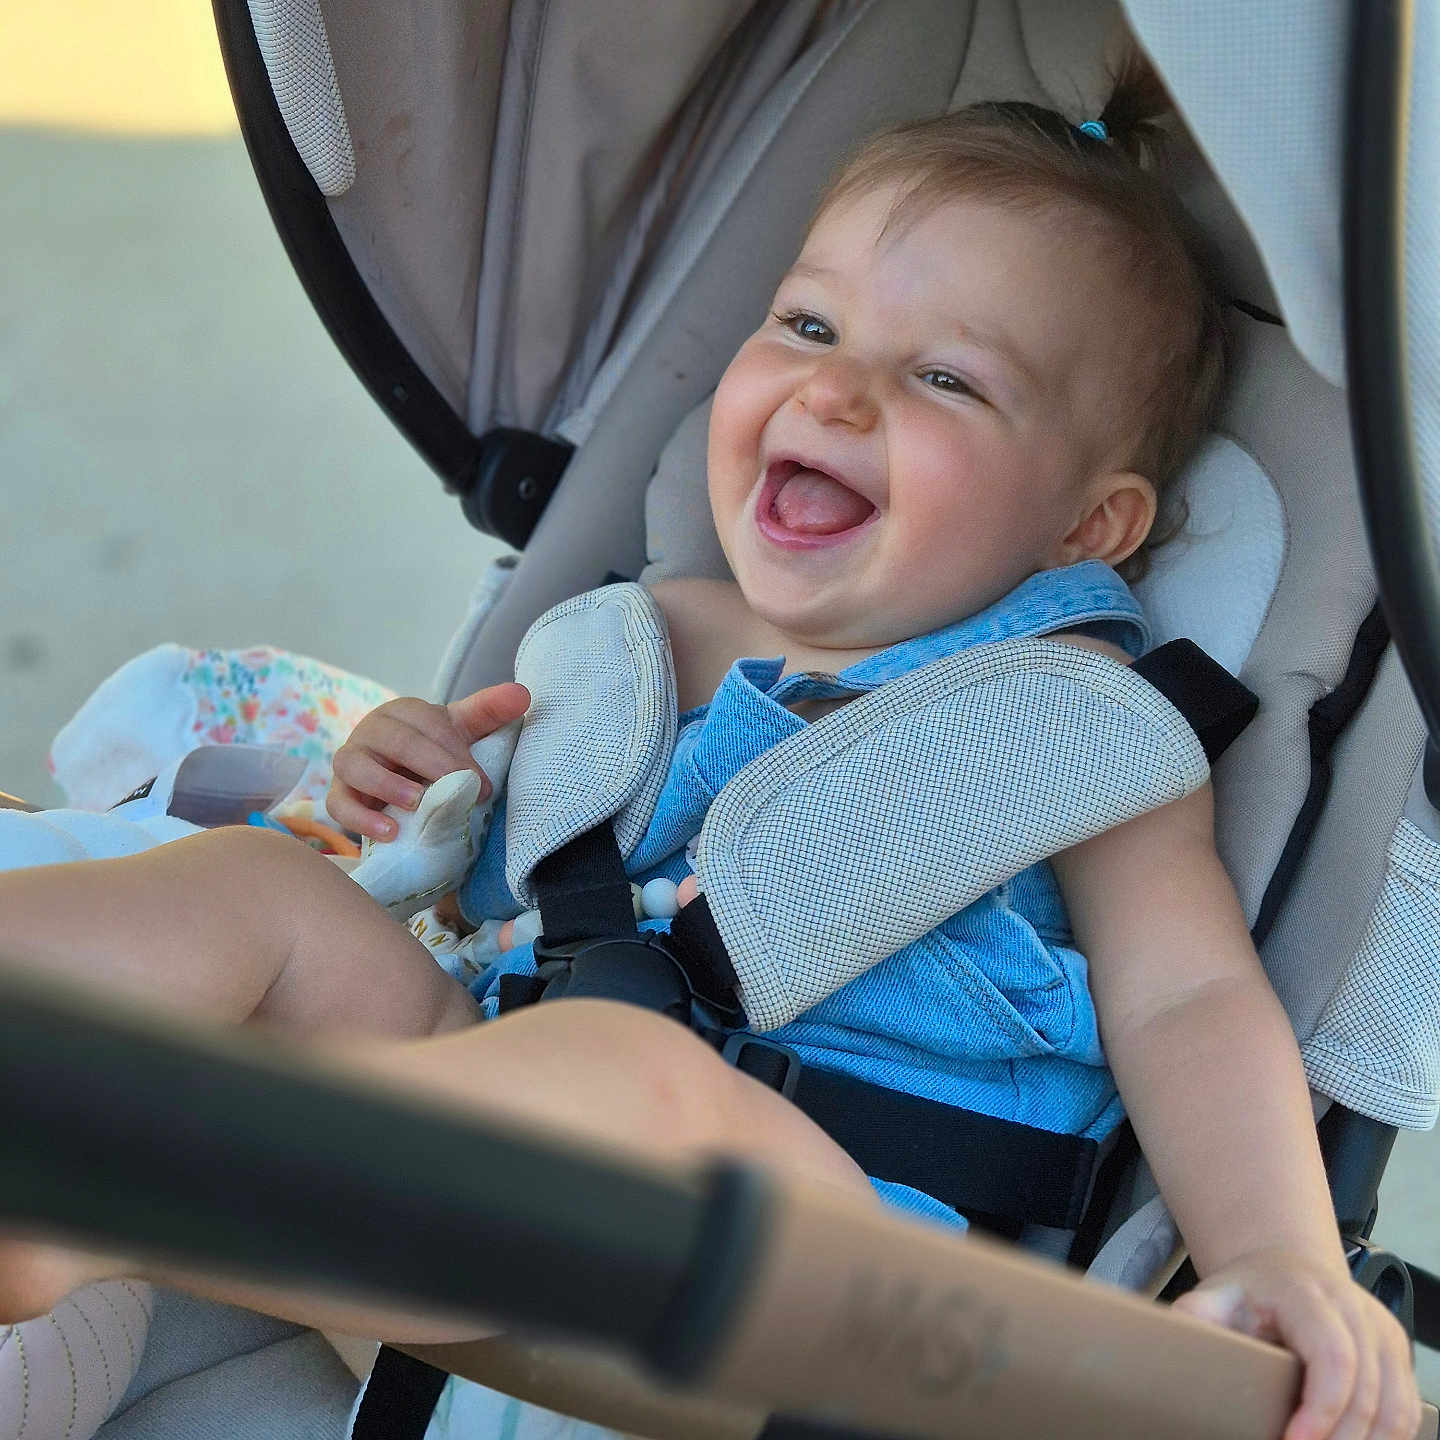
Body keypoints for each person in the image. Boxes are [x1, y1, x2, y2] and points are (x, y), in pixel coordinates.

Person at [0, 74, 1421, 1440]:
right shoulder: (631, 638)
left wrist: (1282, 1253)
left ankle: (114, 1180)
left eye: (945, 379)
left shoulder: (1076, 733)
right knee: (266, 897)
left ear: (1089, 528)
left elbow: (1189, 1002)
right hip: (473, 1146)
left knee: (636, 1073)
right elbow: (470, 900)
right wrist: (406, 774)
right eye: (807, 324)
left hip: (827, 1264)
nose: (840, 393)